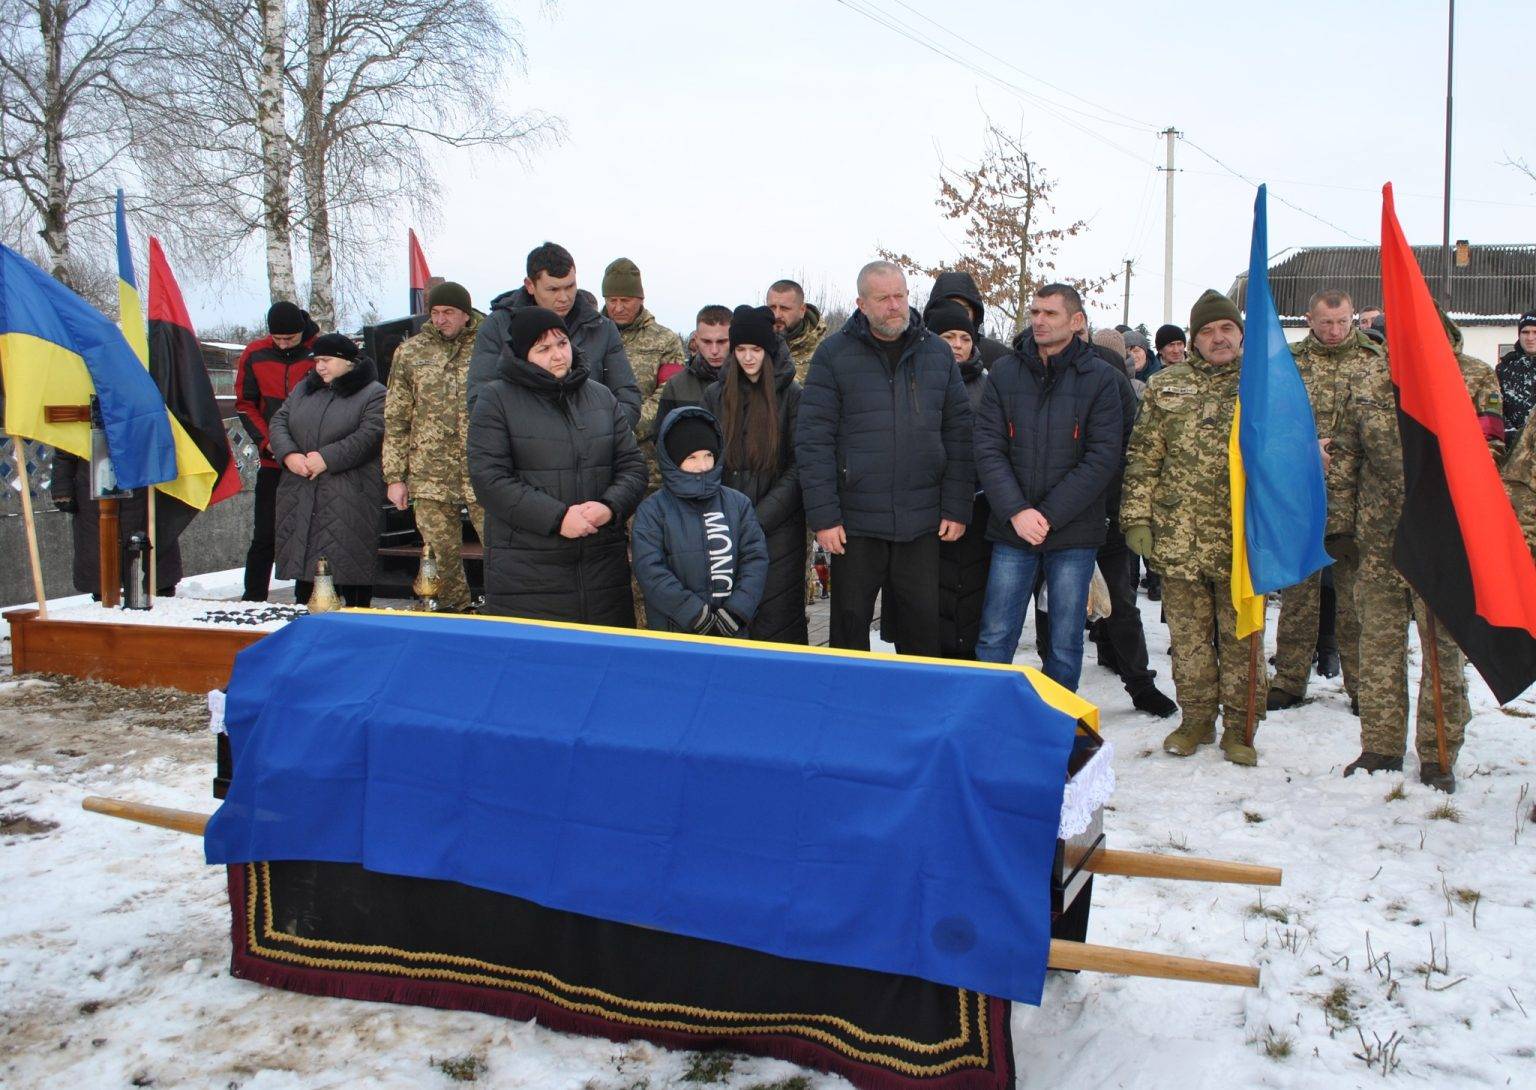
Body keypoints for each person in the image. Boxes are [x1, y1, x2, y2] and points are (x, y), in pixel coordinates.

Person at [1329, 309, 1504, 793]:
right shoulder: (1367, 377)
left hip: (1444, 537)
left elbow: (1492, 450)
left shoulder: (1472, 376)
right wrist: (1340, 524)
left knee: (1443, 650)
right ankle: (1381, 746)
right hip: (1380, 537)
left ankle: (1438, 752)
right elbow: (1346, 454)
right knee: (1378, 642)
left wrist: (1457, 508)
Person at [796, 260, 974, 655]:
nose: (895, 306)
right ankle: (848, 708)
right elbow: (814, 441)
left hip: (922, 519)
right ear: (861, 304)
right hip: (856, 523)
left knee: (921, 630)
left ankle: (915, 708)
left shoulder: (938, 355)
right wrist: (824, 517)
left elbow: (960, 435)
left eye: (901, 296)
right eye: (883, 298)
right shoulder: (833, 355)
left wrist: (957, 507)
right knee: (849, 626)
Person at [1122, 290, 1267, 766]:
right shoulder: (1167, 387)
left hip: (1243, 541)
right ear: (1193, 339)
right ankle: (1197, 720)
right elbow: (1144, 457)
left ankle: (1241, 728)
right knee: (1187, 641)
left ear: (1241, 333)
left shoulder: (1264, 383)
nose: (1217, 337)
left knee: (1242, 639)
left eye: (1226, 328)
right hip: (1178, 537)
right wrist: (1136, 518)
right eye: (1207, 331)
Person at [971, 285, 1122, 689]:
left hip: (1073, 532)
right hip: (1012, 528)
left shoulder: (1102, 379)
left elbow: (1102, 457)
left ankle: (1056, 724)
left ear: (1076, 322)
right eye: (1035, 311)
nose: (1038, 320)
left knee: (1064, 642)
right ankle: (989, 718)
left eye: (1050, 313)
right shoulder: (1004, 372)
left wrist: (1049, 514)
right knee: (995, 635)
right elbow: (987, 446)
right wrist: (1017, 511)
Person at [467, 307, 647, 624]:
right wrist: (557, 518)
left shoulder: (601, 397)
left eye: (562, 344)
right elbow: (489, 480)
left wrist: (609, 506)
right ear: (523, 354)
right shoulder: (496, 400)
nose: (558, 355)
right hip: (528, 575)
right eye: (544, 349)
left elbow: (632, 466)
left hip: (601, 571)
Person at [1268, 289, 1383, 712]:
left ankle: (1361, 685)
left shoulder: (1376, 362)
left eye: (1343, 322)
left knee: (1355, 599)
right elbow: (1271, 421)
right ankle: (1290, 679)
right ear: (1309, 320)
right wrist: (1304, 447)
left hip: (1359, 498)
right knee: (1299, 594)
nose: (1334, 331)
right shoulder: (1288, 364)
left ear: (1354, 318)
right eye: (1325, 322)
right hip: (1301, 493)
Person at [877, 299, 993, 657]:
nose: (957, 345)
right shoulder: (913, 377)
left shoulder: (990, 387)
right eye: (947, 336)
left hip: (974, 506)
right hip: (919, 508)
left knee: (968, 599)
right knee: (922, 602)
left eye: (964, 337)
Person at [703, 305, 808, 643]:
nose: (748, 357)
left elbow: (799, 465)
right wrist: (727, 516)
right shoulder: (715, 396)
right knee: (731, 621)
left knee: (778, 623)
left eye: (756, 349)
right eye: (742, 349)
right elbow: (707, 461)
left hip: (778, 528)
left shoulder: (791, 397)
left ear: (768, 350)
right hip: (724, 526)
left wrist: (758, 518)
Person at [382, 281, 483, 613]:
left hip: (483, 469)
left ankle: (507, 613)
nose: (440, 320)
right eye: (435, 313)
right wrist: (395, 476)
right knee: (441, 552)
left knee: (502, 549)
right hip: (429, 472)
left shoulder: (489, 346)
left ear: (465, 315)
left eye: (448, 313)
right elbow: (396, 415)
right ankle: (456, 612)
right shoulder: (411, 352)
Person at [466, 241, 641, 428]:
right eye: (553, 289)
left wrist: (599, 438)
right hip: (525, 449)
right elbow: (481, 402)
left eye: (570, 286)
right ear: (530, 285)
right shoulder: (498, 327)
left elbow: (627, 398)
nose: (564, 297)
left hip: (593, 449)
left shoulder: (602, 329)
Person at [269, 333, 386, 609]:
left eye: (327, 360)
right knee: (306, 572)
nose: (320, 367)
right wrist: (289, 455)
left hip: (349, 492)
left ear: (348, 362)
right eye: (317, 361)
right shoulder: (304, 389)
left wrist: (327, 458)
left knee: (348, 563)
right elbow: (279, 422)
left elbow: (371, 434)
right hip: (302, 488)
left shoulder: (373, 393)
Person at [631, 406, 769, 635]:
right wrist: (694, 614)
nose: (703, 466)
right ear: (674, 460)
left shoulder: (738, 504)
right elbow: (650, 570)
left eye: (708, 456)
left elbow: (755, 560)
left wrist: (737, 611)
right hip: (676, 633)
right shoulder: (653, 510)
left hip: (732, 632)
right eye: (692, 457)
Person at [234, 301, 317, 600]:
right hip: (272, 461)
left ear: (301, 333)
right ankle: (252, 598)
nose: (283, 344)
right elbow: (245, 403)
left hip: (310, 460)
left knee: (308, 534)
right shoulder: (255, 354)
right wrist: (267, 440)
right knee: (264, 534)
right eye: (277, 339)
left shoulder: (318, 352)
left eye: (290, 339)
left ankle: (306, 599)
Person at [49, 452, 183, 599]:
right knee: (98, 551)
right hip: (92, 488)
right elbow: (64, 451)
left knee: (151, 541)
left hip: (143, 483)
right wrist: (62, 490)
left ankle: (160, 590)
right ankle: (103, 596)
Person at [601, 257, 687, 442]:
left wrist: (627, 429)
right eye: (611, 300)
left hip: (645, 452)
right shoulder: (591, 336)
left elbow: (668, 393)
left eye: (625, 300)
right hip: (596, 447)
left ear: (640, 299)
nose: (618, 307)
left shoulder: (665, 340)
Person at [655, 305, 733, 429]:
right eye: (706, 342)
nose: (714, 350)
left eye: (722, 342)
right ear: (696, 339)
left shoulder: (750, 381)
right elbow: (662, 437)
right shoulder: (676, 385)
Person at [928, 269, 1011, 364]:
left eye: (964, 310)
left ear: (975, 312)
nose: (957, 314)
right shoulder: (914, 355)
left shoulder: (998, 358)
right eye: (948, 307)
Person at [765, 279, 828, 382]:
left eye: (784, 308)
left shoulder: (824, 353)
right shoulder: (755, 350)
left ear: (802, 310)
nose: (777, 315)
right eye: (772, 307)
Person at [1497, 312, 1536, 442]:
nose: (1530, 337)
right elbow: (1493, 408)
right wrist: (1509, 433)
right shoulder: (1503, 369)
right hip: (1513, 452)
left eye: (1535, 332)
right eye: (1525, 332)